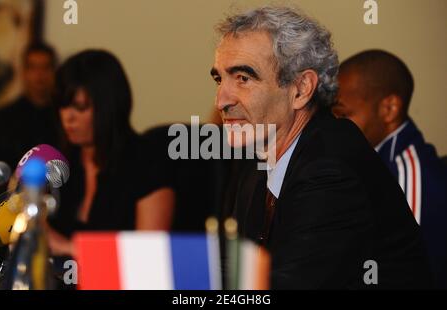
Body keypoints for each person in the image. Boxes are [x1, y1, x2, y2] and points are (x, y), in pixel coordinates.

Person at [212, 6, 432, 289]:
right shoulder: (255, 160)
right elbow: (234, 273)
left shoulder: (331, 169)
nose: (221, 100)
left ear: (301, 89)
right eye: (219, 79)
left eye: (243, 78)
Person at [333, 49, 447, 288]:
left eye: (343, 114)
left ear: (389, 109)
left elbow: (412, 273)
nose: (335, 125)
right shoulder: (367, 157)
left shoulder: (410, 176)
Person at [47, 50, 175, 256]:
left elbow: (149, 257)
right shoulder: (61, 160)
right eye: (62, 105)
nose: (67, 117)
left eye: (80, 107)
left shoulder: (148, 162)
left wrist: (70, 248)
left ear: (107, 107)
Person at [0, 42, 58, 172]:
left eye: (45, 67)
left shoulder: (64, 117)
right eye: (33, 67)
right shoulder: (4, 118)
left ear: (54, 72)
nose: (39, 75)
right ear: (23, 72)